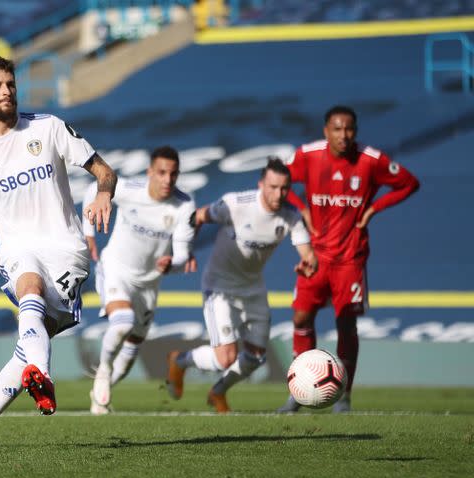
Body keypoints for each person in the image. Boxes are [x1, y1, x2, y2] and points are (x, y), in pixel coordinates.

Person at [0, 56, 116, 449]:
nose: (6, 90)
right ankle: (43, 376)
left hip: (67, 249)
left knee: (29, 342)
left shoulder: (49, 127)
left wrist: (104, 194)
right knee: (30, 287)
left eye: (10, 83)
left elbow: (104, 171)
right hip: (18, 250)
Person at [277, 105, 420, 413]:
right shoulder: (308, 155)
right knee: (301, 318)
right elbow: (278, 179)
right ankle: (298, 391)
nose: (344, 135)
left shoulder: (371, 160)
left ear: (356, 130)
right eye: (337, 129)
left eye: (349, 129)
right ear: (326, 130)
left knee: (346, 323)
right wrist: (300, 208)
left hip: (350, 258)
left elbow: (409, 183)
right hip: (314, 256)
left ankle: (344, 395)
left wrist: (374, 208)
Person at [166, 158, 317, 413]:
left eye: (284, 188)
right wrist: (185, 249)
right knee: (226, 357)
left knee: (256, 357)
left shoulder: (291, 217)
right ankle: (180, 360)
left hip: (253, 289)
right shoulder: (235, 204)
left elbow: (307, 253)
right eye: (272, 187)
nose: (278, 194)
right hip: (219, 286)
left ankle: (218, 392)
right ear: (261, 184)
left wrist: (308, 263)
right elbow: (199, 215)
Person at [84, 145, 198, 415]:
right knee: (122, 323)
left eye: (173, 174)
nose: (167, 180)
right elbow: (94, 189)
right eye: (161, 172)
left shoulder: (184, 205)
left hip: (149, 283)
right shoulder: (128, 189)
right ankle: (103, 371)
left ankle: (101, 394)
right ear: (150, 172)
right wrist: (87, 232)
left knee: (132, 350)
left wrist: (173, 263)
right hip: (116, 270)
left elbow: (182, 255)